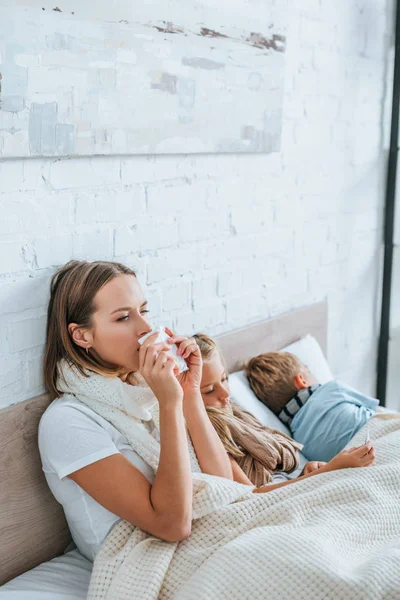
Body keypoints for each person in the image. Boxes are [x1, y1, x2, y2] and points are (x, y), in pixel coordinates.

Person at [38, 260, 375, 562]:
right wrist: (170, 406)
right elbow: (172, 525)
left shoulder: (148, 393)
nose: (144, 328)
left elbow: (228, 487)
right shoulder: (68, 421)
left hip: (225, 525)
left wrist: (189, 395)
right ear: (81, 335)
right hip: (150, 556)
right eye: (124, 317)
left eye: (144, 311)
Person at [193, 333, 375, 486]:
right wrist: (331, 469)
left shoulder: (237, 415)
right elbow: (250, 497)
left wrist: (305, 473)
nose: (226, 393)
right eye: (209, 390)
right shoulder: (209, 431)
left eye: (225, 379)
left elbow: (280, 479)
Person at [245, 350, 398, 463]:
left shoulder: (298, 438)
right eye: (309, 371)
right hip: (378, 441)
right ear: (301, 380)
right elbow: (379, 412)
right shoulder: (331, 389)